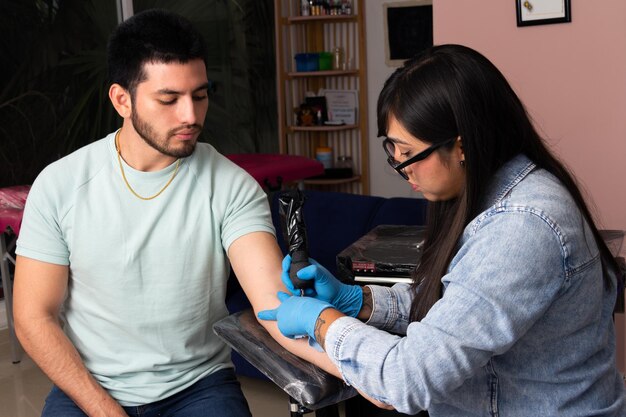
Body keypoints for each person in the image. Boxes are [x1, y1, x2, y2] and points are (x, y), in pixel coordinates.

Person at [259, 44, 626, 416]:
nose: (402, 169)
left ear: (461, 145)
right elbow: (455, 307)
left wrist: (322, 322)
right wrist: (359, 301)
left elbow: (407, 380)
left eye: (407, 153)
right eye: (392, 150)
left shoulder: (521, 228)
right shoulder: (494, 189)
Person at [13, 9, 301, 417]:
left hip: (198, 384)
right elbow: (32, 316)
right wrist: (104, 410)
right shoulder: (61, 185)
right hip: (90, 383)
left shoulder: (231, 185)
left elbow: (272, 302)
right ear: (121, 100)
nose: (190, 115)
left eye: (200, 96)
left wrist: (357, 356)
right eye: (169, 99)